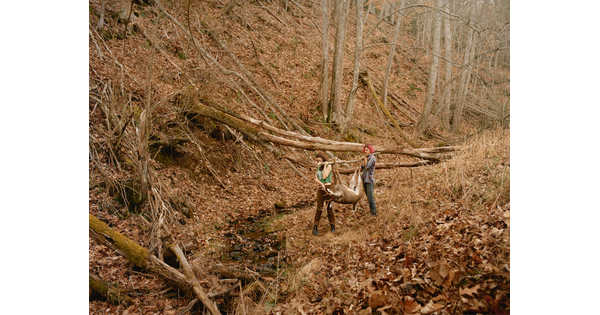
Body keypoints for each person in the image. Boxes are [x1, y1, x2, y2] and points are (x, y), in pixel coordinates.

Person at [312, 152, 335, 236]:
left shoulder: (328, 165)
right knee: (319, 208)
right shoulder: (318, 167)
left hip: (328, 188)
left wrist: (325, 165)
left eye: (319, 160)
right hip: (320, 188)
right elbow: (316, 178)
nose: (318, 162)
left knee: (329, 207)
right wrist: (321, 184)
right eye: (317, 160)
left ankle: (332, 225)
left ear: (323, 159)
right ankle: (315, 227)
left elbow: (325, 176)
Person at [361, 144, 377, 216]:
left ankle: (374, 214)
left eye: (367, 150)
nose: (365, 151)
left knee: (370, 198)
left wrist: (364, 159)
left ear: (370, 150)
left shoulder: (372, 157)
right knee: (368, 197)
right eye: (365, 150)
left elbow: (367, 167)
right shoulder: (366, 157)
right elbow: (362, 167)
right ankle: (372, 212)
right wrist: (364, 159)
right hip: (364, 179)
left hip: (369, 180)